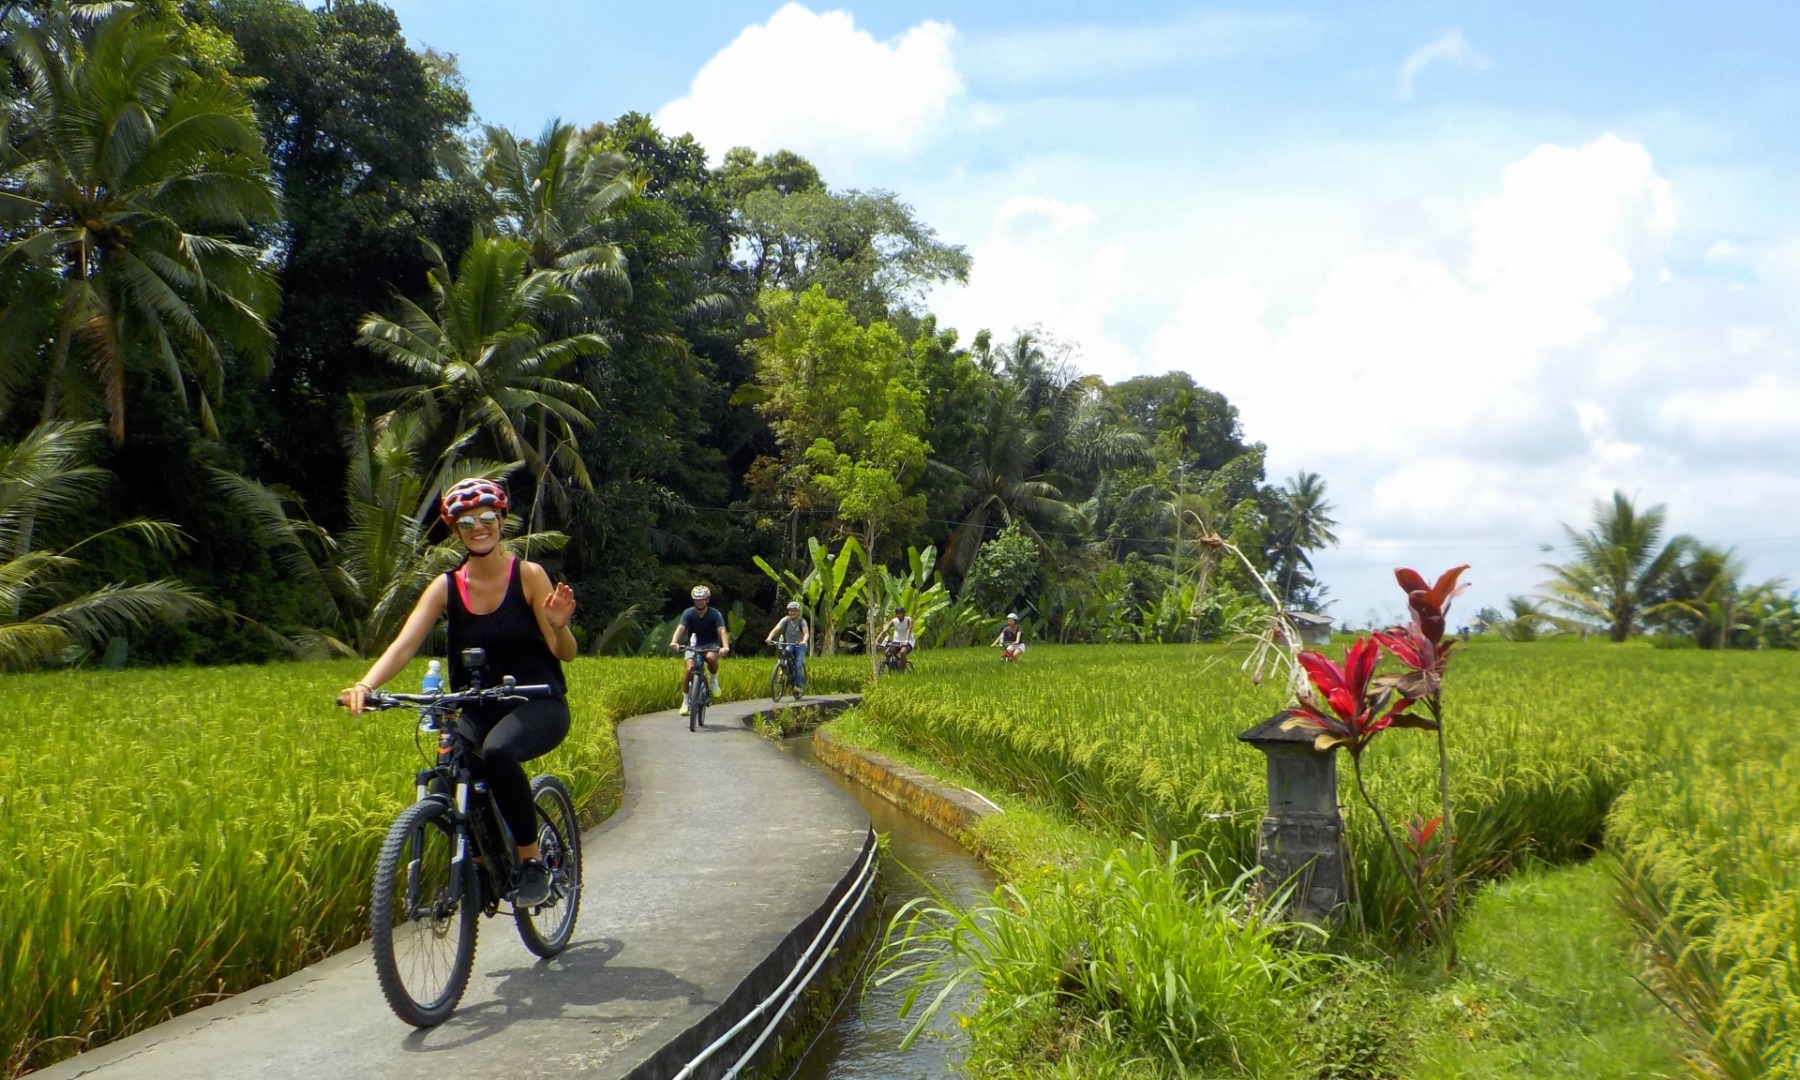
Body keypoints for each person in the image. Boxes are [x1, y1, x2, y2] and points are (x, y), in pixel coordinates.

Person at [337, 478, 576, 907]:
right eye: (466, 522)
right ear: (456, 531)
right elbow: (404, 644)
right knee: (453, 769)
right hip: (476, 704)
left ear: (501, 520)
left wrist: (559, 625)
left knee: (498, 752)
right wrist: (365, 685)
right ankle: (484, 868)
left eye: (487, 518)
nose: (478, 527)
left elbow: (566, 653)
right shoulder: (447, 586)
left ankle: (530, 860)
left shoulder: (528, 576)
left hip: (537, 702)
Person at [671, 585, 730, 725]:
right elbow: (680, 628)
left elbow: (722, 631)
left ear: (707, 600)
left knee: (710, 658)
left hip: (711, 644)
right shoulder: (688, 613)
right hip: (693, 644)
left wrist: (725, 646)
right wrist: (674, 641)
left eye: (702, 599)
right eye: (697, 600)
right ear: (693, 600)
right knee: (689, 668)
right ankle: (686, 701)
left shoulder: (715, 614)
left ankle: (713, 680)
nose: (699, 602)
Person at [764, 600, 810, 696]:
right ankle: (784, 671)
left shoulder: (802, 621)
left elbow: (806, 633)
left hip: (800, 645)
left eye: (794, 610)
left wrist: (804, 641)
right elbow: (776, 629)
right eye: (790, 610)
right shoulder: (786, 619)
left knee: (798, 665)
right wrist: (769, 637)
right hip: (789, 644)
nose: (792, 612)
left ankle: (798, 686)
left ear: (798, 611)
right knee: (784, 655)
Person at [877, 605, 915, 670]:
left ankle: (902, 671)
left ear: (903, 614)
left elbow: (909, 630)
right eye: (897, 614)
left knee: (903, 652)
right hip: (897, 641)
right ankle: (893, 669)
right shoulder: (894, 621)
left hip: (908, 641)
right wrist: (876, 640)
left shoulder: (909, 620)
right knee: (887, 653)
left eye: (900, 613)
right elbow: (885, 630)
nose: (899, 615)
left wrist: (906, 641)